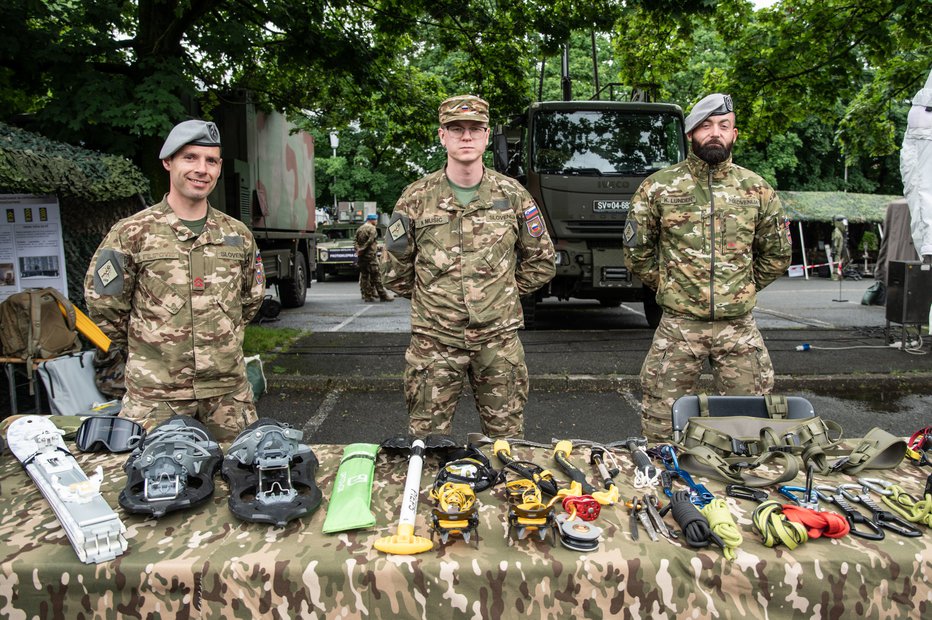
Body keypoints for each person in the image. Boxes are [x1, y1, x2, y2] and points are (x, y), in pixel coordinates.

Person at [381, 94, 556, 439]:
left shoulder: (513, 195)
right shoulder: (416, 198)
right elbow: (394, 270)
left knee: (506, 444)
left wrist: (500, 295)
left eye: (474, 129)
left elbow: (542, 260)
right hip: (435, 343)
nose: (466, 137)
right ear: (441, 135)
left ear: (487, 135)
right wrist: (437, 303)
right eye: (456, 128)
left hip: (497, 341)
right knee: (427, 444)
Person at [623, 93, 792, 441]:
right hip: (679, 328)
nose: (714, 133)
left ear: (734, 134)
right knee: (660, 422)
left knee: (752, 425)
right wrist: (672, 285)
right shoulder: (659, 187)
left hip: (739, 330)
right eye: (705, 126)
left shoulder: (756, 190)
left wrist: (740, 287)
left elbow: (777, 254)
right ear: (689, 134)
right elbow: (637, 252)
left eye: (723, 126)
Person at [85, 119, 265, 441]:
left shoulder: (237, 236)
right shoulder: (131, 233)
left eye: (211, 161)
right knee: (152, 486)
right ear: (168, 162)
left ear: (219, 168)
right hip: (156, 399)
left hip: (227, 397)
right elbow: (105, 306)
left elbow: (250, 301)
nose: (201, 169)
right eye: (190, 158)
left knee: (241, 481)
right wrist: (150, 349)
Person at [355, 213, 393, 302]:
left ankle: (367, 296)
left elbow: (355, 241)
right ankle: (383, 295)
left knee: (364, 276)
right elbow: (370, 241)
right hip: (370, 255)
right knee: (377, 276)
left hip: (362, 257)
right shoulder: (372, 229)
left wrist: (358, 250)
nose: (376, 221)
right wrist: (363, 249)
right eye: (375, 220)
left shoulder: (360, 228)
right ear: (372, 220)